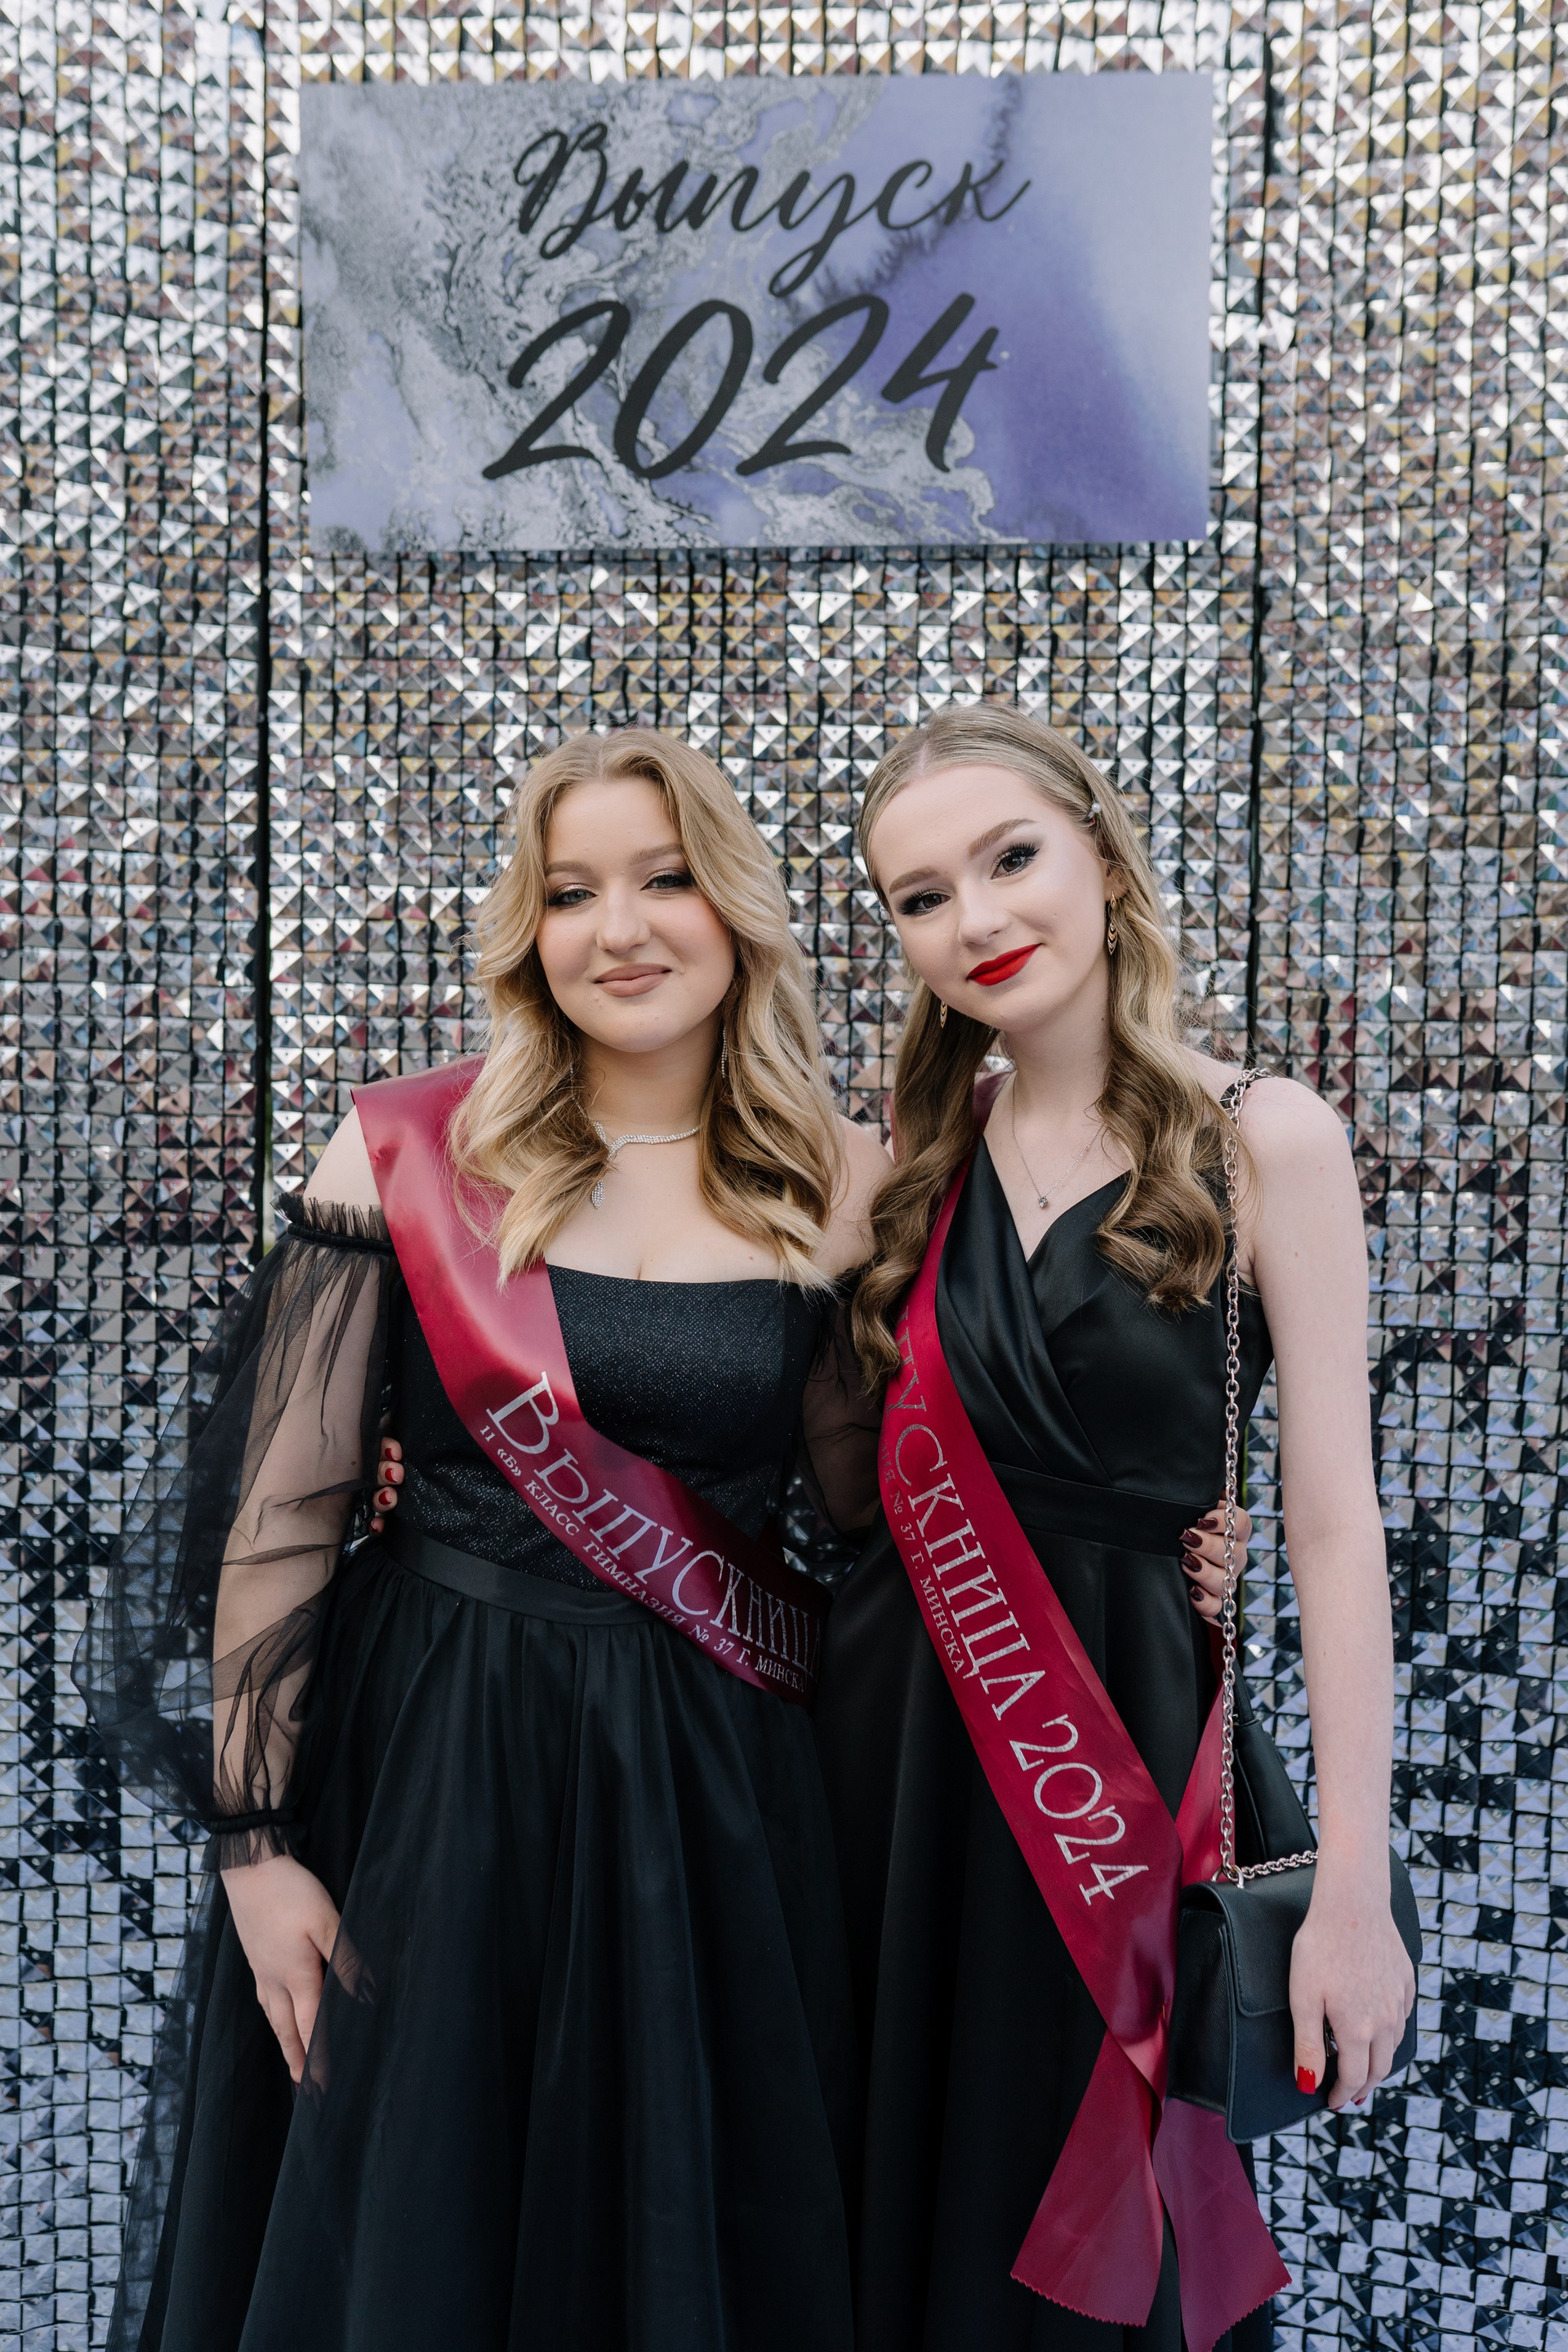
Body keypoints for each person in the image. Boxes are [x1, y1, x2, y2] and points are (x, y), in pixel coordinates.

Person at [75, 726, 894, 2352]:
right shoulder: (405, 1151)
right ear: (529, 931)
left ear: (736, 908)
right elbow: (287, 1513)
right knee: (419, 2225)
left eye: (665, 880)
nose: (621, 929)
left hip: (712, 1799)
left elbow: (867, 1513)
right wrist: (255, 1850)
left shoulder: (840, 1177)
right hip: (434, 1770)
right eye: (571, 892)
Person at [813, 702, 1416, 2352]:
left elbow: (1336, 1528)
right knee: (880, 2208)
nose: (976, 919)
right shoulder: (902, 1163)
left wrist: (1353, 1888)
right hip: (886, 1761)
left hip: (1123, 1758)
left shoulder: (1264, 1137)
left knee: (1099, 2248)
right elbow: (813, 1468)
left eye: (1010, 858)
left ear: (1100, 854)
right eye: (921, 896)